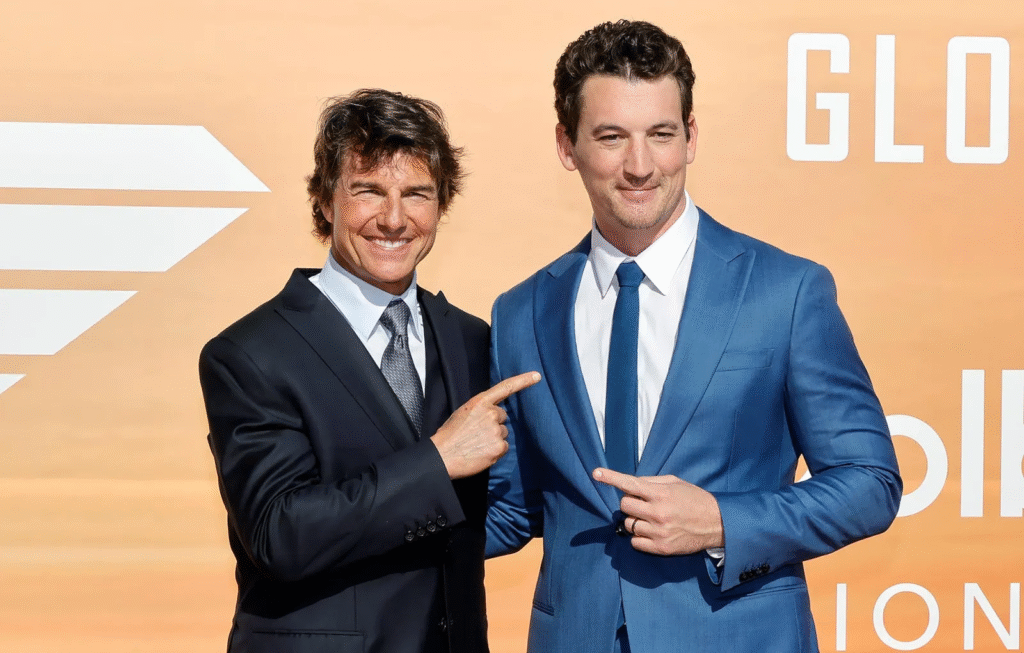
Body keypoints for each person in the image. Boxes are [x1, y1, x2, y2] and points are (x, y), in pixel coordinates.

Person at [486, 20, 902, 653]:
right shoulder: (521, 312)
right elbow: (515, 510)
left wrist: (722, 523)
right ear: (567, 145)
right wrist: (360, 514)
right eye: (611, 137)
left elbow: (870, 482)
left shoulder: (785, 292)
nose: (640, 166)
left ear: (691, 136)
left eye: (661, 134)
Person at [199, 88, 537, 653]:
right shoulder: (248, 354)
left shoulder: (474, 339)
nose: (394, 219)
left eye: (417, 194)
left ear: (442, 205)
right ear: (325, 200)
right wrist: (437, 461)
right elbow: (280, 535)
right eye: (369, 192)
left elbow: (492, 513)